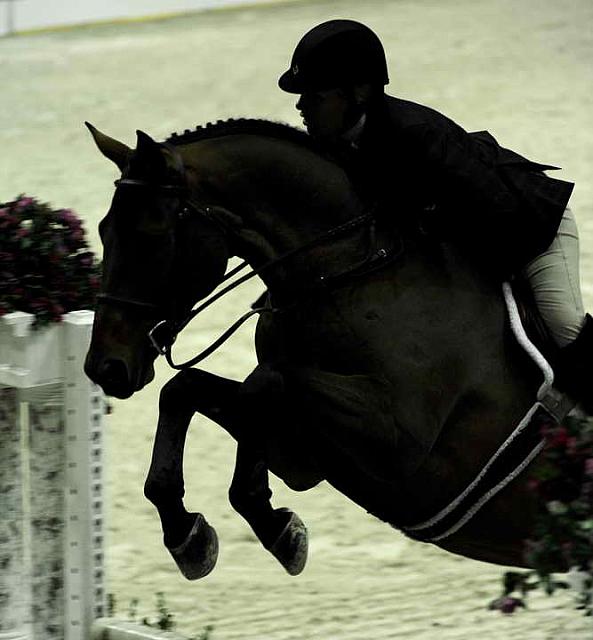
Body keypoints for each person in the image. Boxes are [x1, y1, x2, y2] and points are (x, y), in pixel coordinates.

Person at [278, 19, 592, 411]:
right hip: (479, 237)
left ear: (357, 92)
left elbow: (496, 210)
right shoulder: (338, 148)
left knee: (564, 326)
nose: (301, 106)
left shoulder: (416, 134)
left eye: (315, 95)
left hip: (533, 230)